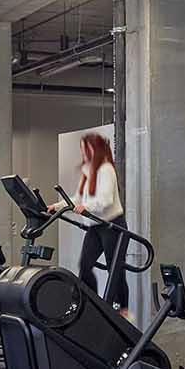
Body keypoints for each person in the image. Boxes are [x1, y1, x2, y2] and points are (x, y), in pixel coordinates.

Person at [62, 132, 129, 311]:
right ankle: (91, 305)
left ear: (95, 149)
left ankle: (122, 309)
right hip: (96, 226)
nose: (83, 151)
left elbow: (105, 200)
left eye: (86, 148)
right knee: (84, 266)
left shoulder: (106, 169)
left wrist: (86, 206)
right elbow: (77, 197)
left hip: (113, 225)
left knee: (114, 270)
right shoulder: (88, 171)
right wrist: (57, 205)